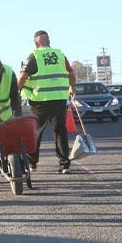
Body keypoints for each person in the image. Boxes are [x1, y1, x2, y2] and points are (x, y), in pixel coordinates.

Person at [17, 30, 76, 174]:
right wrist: (72, 88)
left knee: (35, 132)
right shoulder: (60, 55)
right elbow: (71, 73)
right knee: (60, 131)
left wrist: (15, 92)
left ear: (36, 42)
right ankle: (64, 164)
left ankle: (32, 163)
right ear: (48, 41)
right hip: (59, 99)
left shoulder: (34, 56)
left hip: (40, 101)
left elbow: (23, 76)